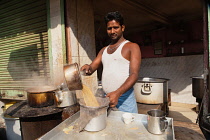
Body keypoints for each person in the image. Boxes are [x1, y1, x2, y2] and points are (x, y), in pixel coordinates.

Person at [80, 11, 141, 113]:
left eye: (116, 27)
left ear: (123, 28)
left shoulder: (132, 47)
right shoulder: (103, 50)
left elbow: (134, 75)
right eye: (109, 28)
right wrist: (87, 67)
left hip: (124, 99)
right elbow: (90, 69)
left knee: (128, 127)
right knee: (110, 127)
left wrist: (117, 93)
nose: (112, 31)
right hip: (107, 98)